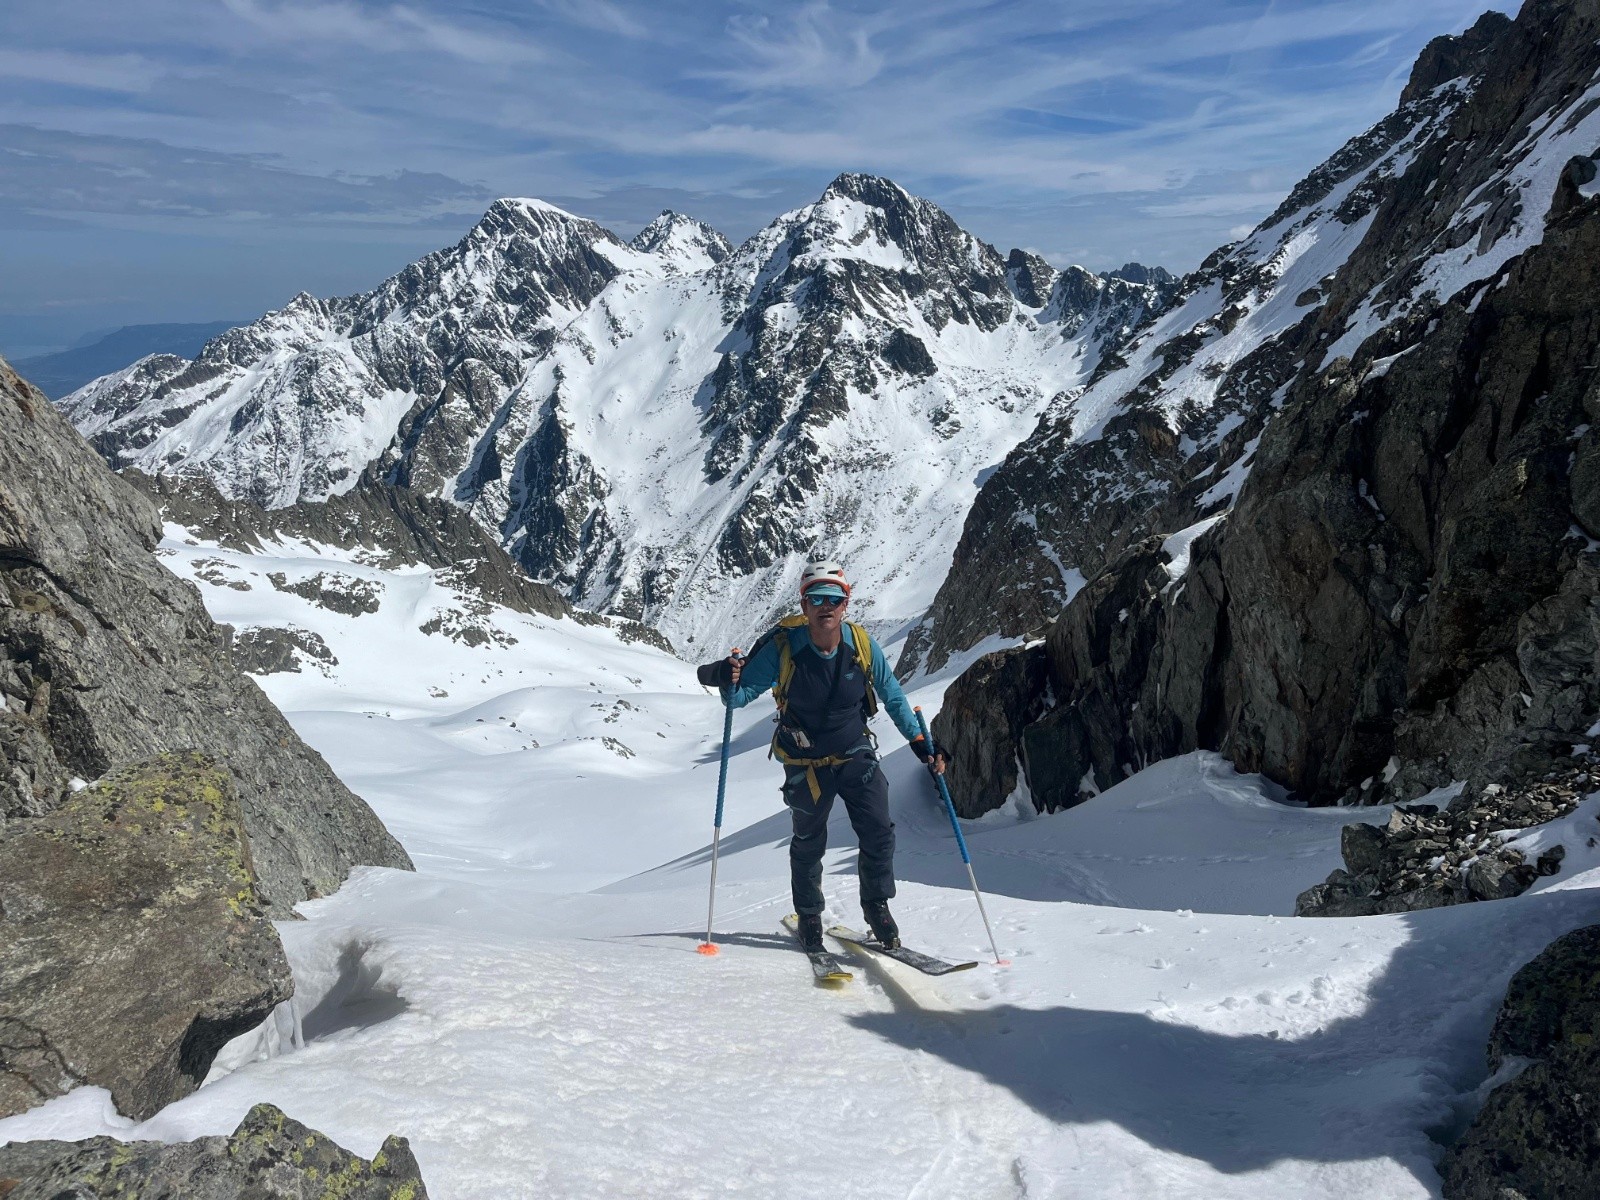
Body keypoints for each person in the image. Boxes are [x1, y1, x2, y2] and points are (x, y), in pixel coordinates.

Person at [695, 560, 947, 953]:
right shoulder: (784, 648)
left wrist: (919, 742)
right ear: (804, 605)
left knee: (879, 830)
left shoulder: (860, 645)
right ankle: (810, 914)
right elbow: (740, 696)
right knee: (809, 840)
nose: (825, 606)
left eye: (833, 598)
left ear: (846, 604)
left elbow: (892, 695)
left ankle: (876, 905)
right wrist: (725, 678)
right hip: (804, 762)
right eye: (816, 599)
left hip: (854, 752)